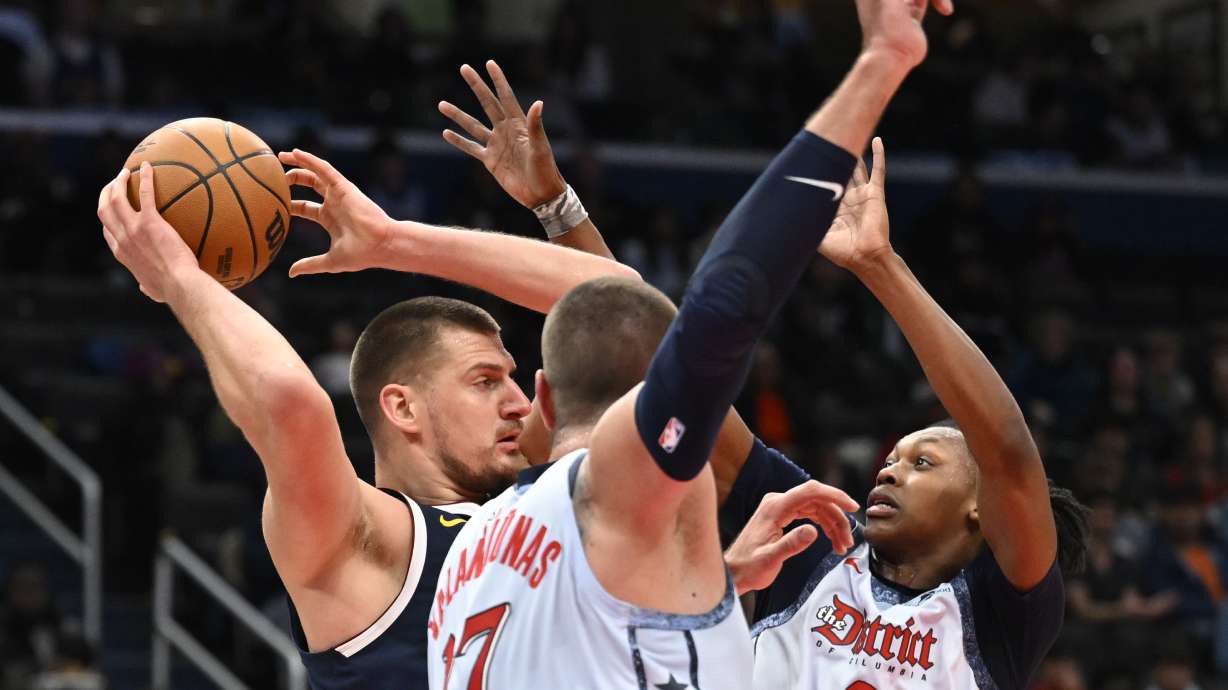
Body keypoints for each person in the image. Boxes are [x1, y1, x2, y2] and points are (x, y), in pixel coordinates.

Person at [424, 0, 948, 686]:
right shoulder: (609, 492)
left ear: (544, 396)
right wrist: (881, 61)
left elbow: (628, 326)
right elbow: (710, 314)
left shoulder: (471, 553)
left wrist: (723, 579)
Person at [95, 135, 636, 689]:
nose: (519, 403)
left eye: (513, 379)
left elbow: (625, 310)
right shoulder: (371, 540)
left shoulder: (550, 501)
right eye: (485, 382)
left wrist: (397, 239)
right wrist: (178, 276)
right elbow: (289, 403)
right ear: (402, 407)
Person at [722, 138, 1089, 689]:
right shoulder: (814, 538)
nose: (888, 472)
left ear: (980, 506)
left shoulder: (999, 611)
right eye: (892, 459)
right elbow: (672, 387)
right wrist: (577, 220)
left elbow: (1008, 451)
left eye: (922, 463)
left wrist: (880, 266)